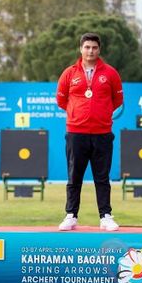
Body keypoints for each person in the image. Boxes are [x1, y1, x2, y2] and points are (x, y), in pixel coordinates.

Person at [56, 33, 123, 231]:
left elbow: (117, 101)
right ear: (81, 49)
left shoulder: (110, 73)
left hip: (102, 132)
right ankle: (70, 215)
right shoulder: (69, 73)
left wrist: (100, 115)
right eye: (87, 47)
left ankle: (106, 216)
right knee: (74, 176)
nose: (90, 51)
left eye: (94, 47)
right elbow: (61, 100)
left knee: (102, 177)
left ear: (99, 49)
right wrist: (77, 113)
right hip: (76, 132)